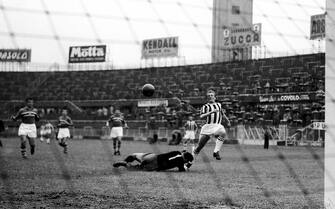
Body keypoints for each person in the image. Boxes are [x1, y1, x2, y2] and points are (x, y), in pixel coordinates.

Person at [193, 89, 231, 160]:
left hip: (217, 125)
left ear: (215, 97)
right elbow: (201, 116)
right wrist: (211, 112)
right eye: (209, 96)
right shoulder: (205, 106)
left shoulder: (219, 105)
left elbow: (222, 114)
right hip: (208, 127)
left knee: (223, 132)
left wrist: (228, 121)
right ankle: (190, 161)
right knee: (199, 147)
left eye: (212, 95)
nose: (210, 96)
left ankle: (216, 152)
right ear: (207, 98)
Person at [113, 150, 194, 172]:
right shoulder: (180, 161)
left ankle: (124, 161)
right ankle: (124, 164)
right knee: (134, 168)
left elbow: (173, 157)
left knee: (134, 155)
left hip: (153, 156)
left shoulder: (177, 152)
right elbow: (182, 170)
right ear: (186, 159)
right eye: (186, 161)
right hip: (155, 165)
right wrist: (187, 166)